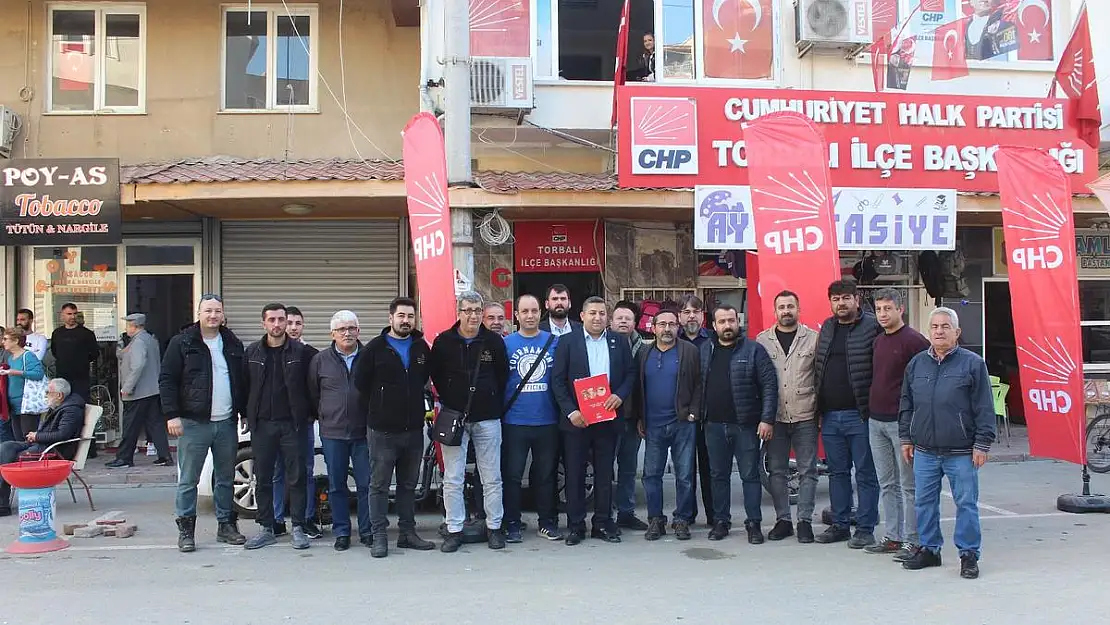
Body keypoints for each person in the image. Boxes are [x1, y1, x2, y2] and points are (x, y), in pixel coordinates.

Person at [900, 307, 995, 580]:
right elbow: (906, 403)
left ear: (957, 332)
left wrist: (982, 444)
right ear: (928, 331)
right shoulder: (916, 364)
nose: (939, 331)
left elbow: (984, 407)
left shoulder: (973, 364)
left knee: (966, 504)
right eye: (934, 327)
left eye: (945, 326)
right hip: (925, 451)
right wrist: (906, 437)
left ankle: (968, 555)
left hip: (962, 451)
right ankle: (930, 550)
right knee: (925, 502)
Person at [161, 294, 248, 552]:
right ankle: (186, 530)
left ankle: (226, 526)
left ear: (223, 315)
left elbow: (241, 380)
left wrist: (243, 412)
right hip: (193, 422)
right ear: (199, 313)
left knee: (225, 477)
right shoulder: (182, 342)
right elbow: (166, 379)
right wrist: (171, 414)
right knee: (189, 479)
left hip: (226, 423)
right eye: (208, 310)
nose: (213, 316)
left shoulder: (232, 343)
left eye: (217, 311)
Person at [354, 299, 437, 556]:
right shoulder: (374, 349)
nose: (406, 321)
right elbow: (360, 383)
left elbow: (424, 379)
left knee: (408, 485)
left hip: (412, 429)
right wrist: (381, 406)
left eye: (410, 316)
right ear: (391, 318)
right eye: (401, 315)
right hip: (382, 431)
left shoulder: (421, 347)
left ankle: (407, 533)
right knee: (379, 485)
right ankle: (379, 535)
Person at [551, 296, 635, 546]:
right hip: (577, 421)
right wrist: (570, 411)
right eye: (593, 313)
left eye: (601, 314)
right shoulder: (567, 342)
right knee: (575, 474)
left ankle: (602, 522)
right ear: (582, 316)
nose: (597, 318)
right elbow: (557, 381)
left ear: (607, 317)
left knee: (605, 473)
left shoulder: (618, 342)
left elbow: (630, 373)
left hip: (608, 418)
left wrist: (620, 395)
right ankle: (576, 525)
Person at [430, 291, 510, 552]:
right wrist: (454, 397)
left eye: (477, 310)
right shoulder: (443, 342)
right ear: (459, 312)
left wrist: (488, 398)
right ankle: (454, 529)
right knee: (453, 478)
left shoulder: (493, 342)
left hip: (487, 417)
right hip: (454, 416)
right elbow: (437, 377)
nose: (473, 315)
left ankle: (494, 527)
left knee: (492, 477)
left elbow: (502, 376)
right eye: (468, 310)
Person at [813, 279, 882, 548]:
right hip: (830, 416)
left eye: (845, 298)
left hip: (860, 415)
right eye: (835, 299)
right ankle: (840, 524)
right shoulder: (828, 327)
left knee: (865, 473)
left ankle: (865, 528)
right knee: (837, 473)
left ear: (857, 299)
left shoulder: (872, 327)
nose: (840, 304)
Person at [702, 304, 778, 543]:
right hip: (713, 425)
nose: (727, 326)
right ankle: (721, 522)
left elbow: (769, 385)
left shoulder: (754, 350)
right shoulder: (706, 350)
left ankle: (753, 523)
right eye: (722, 322)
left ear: (738, 322)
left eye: (731, 321)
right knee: (718, 476)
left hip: (745, 425)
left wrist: (766, 419)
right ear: (714, 326)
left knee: (749, 476)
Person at [242, 304, 314, 551]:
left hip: (292, 425)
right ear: (263, 323)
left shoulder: (302, 353)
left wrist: (310, 415)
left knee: (297, 477)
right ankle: (266, 528)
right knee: (262, 478)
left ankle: (298, 528)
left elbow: (312, 386)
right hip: (262, 425)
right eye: (271, 319)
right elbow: (244, 386)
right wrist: (245, 415)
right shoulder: (252, 352)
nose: (277, 324)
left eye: (281, 319)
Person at [866, 288, 930, 560]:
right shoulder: (878, 341)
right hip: (875, 421)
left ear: (900, 310)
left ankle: (913, 541)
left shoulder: (915, 341)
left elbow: (925, 382)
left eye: (888, 308)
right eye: (879, 309)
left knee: (908, 485)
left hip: (902, 424)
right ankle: (892, 536)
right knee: (887, 483)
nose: (883, 314)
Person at [755, 291, 820, 543]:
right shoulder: (762, 340)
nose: (786, 311)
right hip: (775, 418)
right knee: (777, 471)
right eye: (781, 307)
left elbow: (820, 377)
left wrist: (820, 411)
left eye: (790, 306)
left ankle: (804, 521)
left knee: (807, 471)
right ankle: (783, 520)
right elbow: (759, 381)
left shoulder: (813, 339)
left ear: (798, 308)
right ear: (775, 311)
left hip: (805, 414)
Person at [500, 294, 562, 543]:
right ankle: (512, 523)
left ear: (541, 313)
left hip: (547, 421)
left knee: (546, 476)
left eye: (534, 310)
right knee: (512, 476)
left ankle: (547, 523)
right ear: (516, 315)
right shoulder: (505, 344)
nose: (529, 315)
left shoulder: (555, 342)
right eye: (524, 311)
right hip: (514, 421)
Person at [636, 309, 702, 541]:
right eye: (662, 324)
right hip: (653, 425)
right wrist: (639, 417)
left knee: (684, 475)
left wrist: (693, 412)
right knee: (651, 475)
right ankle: (656, 519)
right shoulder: (644, 353)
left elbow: (699, 384)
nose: (667, 329)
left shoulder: (689, 351)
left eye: (672, 324)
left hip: (682, 423)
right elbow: (638, 388)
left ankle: (682, 519)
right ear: (652, 328)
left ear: (678, 327)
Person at [310, 310, 370, 552]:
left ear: (358, 330)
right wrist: (325, 416)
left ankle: (367, 531)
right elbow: (313, 394)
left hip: (365, 432)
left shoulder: (369, 357)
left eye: (352, 328)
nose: (347, 333)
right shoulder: (320, 360)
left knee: (367, 484)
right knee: (337, 485)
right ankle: (342, 531)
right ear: (332, 334)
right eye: (342, 329)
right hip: (333, 433)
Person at [0, 378, 85, 516]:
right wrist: (37, 436)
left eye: (48, 392)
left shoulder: (71, 410)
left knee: (10, 458)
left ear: (59, 395)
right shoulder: (61, 406)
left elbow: (63, 435)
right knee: (6, 447)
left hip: (54, 450)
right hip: (42, 444)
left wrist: (37, 436)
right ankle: (2, 502)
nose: (45, 395)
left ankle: (2, 505)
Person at [272, 306, 320, 539]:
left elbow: (316, 389)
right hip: (275, 423)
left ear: (303, 326)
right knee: (277, 471)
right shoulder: (270, 351)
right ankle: (276, 519)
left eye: (297, 323)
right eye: (288, 323)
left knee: (305, 471)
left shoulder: (310, 354)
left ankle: (307, 519)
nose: (292, 327)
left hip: (302, 424)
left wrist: (311, 414)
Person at [106, 314, 172, 467]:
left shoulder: (138, 342)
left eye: (128, 325)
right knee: (156, 424)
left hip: (138, 392)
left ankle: (124, 458)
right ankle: (165, 456)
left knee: (130, 425)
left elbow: (138, 365)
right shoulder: (150, 339)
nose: (126, 328)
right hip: (152, 390)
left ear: (134, 326)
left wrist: (127, 387)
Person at [610, 300, 648, 531]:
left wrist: (643, 417)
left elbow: (645, 387)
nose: (623, 321)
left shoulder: (644, 350)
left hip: (632, 418)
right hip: (604, 417)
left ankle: (626, 512)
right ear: (611, 321)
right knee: (604, 468)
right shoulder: (600, 345)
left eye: (628, 318)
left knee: (628, 468)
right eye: (619, 318)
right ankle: (604, 515)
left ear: (635, 323)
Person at [678, 294, 715, 528]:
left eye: (696, 311)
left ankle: (714, 515)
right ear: (679, 317)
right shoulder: (672, 339)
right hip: (683, 415)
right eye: (686, 312)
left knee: (711, 468)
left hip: (710, 414)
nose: (691, 316)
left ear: (703, 316)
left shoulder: (713, 340)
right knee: (685, 469)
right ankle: (687, 514)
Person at [1, 327, 46, 442]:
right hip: (13, 404)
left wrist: (15, 372)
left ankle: (31, 459)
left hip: (27, 404)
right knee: (18, 439)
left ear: (16, 341)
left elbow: (38, 374)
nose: (3, 342)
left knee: (28, 438)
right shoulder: (10, 358)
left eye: (6, 339)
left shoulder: (28, 355)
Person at [50, 302, 100, 400]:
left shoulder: (86, 333)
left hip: (80, 378)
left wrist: (82, 362)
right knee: (62, 403)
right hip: (62, 376)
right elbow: (54, 351)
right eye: (69, 314)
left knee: (81, 403)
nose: (72, 317)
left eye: (74, 313)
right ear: (62, 315)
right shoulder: (57, 333)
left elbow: (95, 353)